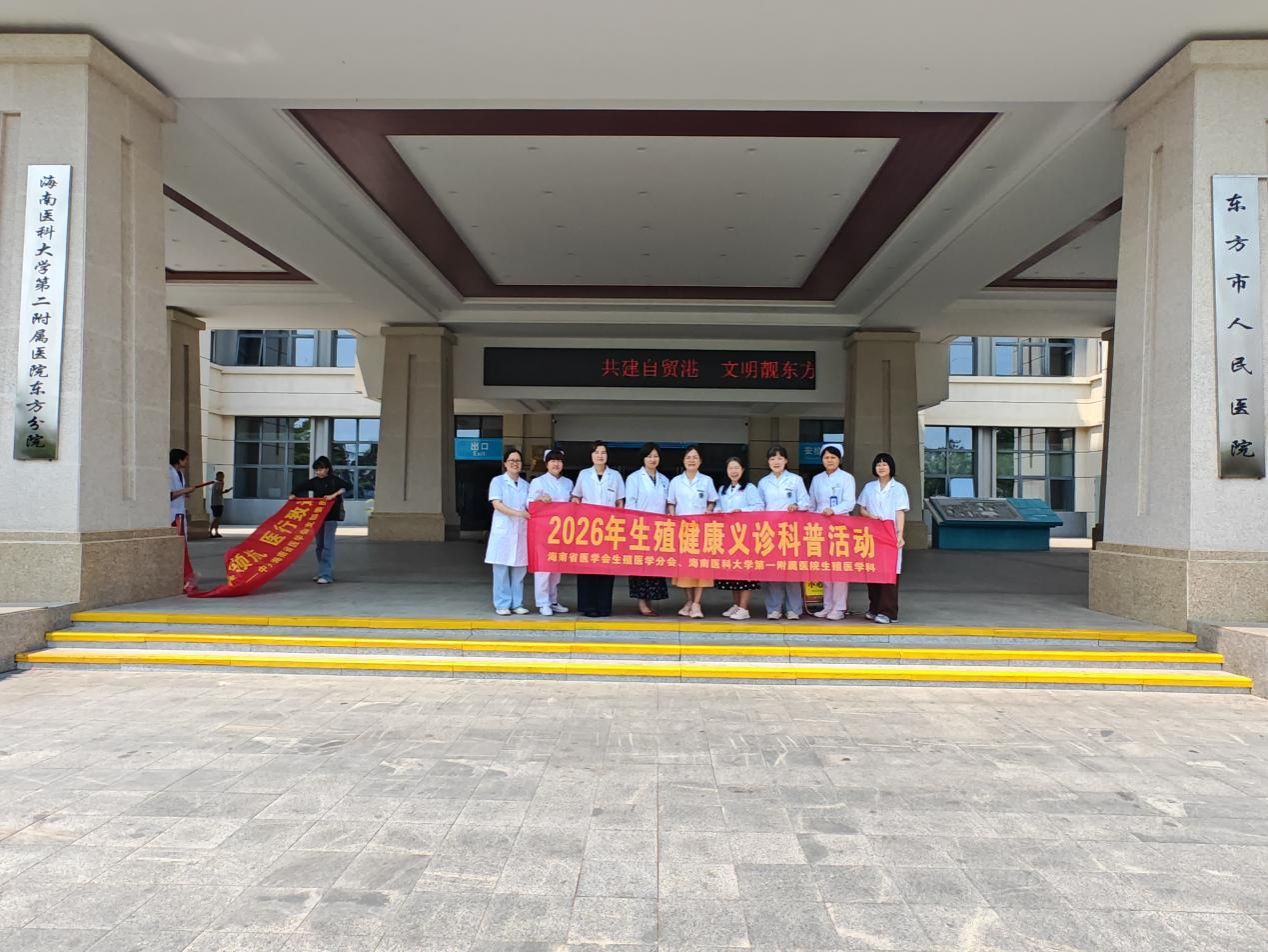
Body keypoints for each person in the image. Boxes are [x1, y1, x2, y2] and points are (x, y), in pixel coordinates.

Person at [571, 440, 625, 617]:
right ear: (591, 455)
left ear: (607, 455)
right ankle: (588, 606)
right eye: (596, 452)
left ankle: (604, 606)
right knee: (587, 566)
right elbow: (576, 497)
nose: (600, 456)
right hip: (587, 529)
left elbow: (620, 502)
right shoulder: (584, 474)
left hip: (609, 528)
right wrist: (576, 505)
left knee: (606, 566)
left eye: (603, 452)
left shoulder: (615, 476)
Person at [758, 445, 811, 619]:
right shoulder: (763, 482)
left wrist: (796, 506)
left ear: (786, 461)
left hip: (791, 532)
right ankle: (774, 608)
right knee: (773, 570)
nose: (776, 461)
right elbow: (759, 507)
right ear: (768, 462)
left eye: (780, 458)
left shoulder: (795, 480)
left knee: (792, 570)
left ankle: (793, 609)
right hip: (770, 532)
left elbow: (806, 503)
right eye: (772, 458)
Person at [857, 452, 910, 624]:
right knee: (873, 572)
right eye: (878, 464)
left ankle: (888, 612)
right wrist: (870, 516)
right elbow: (862, 509)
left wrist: (900, 534)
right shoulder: (869, 487)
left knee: (889, 572)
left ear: (891, 467)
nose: (881, 467)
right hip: (872, 534)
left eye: (884, 464)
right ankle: (874, 608)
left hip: (890, 534)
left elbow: (900, 512)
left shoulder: (899, 488)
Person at [666, 445, 718, 618]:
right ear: (683, 460)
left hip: (702, 530)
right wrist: (673, 516)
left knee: (700, 567)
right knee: (685, 568)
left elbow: (712, 501)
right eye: (688, 457)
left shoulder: (707, 480)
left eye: (695, 457)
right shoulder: (675, 481)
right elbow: (671, 503)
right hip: (683, 530)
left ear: (700, 461)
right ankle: (689, 600)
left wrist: (709, 510)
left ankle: (696, 603)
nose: (691, 460)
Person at [808, 445, 857, 620]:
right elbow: (811, 503)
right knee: (824, 567)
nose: (829, 460)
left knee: (839, 567)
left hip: (840, 526)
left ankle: (839, 607)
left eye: (833, 457)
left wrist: (833, 510)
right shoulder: (817, 479)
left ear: (839, 459)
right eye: (826, 457)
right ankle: (827, 605)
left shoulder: (847, 478)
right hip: (821, 527)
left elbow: (850, 502)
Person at [624, 442, 671, 616]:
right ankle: (642, 601)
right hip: (640, 529)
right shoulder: (634, 478)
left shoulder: (664, 480)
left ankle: (650, 599)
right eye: (649, 456)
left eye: (655, 456)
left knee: (654, 565)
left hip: (659, 530)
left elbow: (668, 505)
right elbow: (630, 504)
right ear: (643, 459)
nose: (652, 459)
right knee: (640, 566)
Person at [715, 456, 763, 620]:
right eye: (730, 468)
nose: (733, 471)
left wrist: (741, 511)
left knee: (745, 572)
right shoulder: (723, 489)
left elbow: (759, 507)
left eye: (736, 468)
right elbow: (718, 507)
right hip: (728, 536)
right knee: (732, 571)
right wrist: (716, 511)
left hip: (745, 536)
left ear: (742, 470)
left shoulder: (749, 488)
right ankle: (736, 605)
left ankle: (744, 608)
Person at [485, 446, 531, 615]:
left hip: (520, 532)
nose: (515, 463)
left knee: (519, 570)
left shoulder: (526, 485)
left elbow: (531, 504)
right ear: (505, 463)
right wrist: (518, 513)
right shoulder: (497, 481)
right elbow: (497, 504)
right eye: (511, 460)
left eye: (518, 461)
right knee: (501, 570)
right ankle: (502, 604)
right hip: (503, 532)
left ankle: (517, 604)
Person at [290, 456, 351, 585]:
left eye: (321, 469)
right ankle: (323, 571)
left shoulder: (334, 480)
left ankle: (326, 575)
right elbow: (300, 487)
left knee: (328, 546)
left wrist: (333, 495)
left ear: (327, 469)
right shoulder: (315, 482)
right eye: (316, 470)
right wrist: (293, 494)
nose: (318, 472)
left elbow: (347, 486)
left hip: (331, 517)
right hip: (317, 517)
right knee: (319, 547)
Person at [527, 447, 573, 616]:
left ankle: (553, 600)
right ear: (546, 464)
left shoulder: (568, 483)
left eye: (559, 461)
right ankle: (542, 602)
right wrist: (539, 499)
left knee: (556, 568)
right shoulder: (538, 482)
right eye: (553, 461)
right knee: (543, 569)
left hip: (562, 532)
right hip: (544, 531)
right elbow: (528, 503)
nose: (556, 464)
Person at [169, 448, 211, 594]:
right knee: (180, 548)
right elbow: (169, 495)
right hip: (172, 515)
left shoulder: (180, 474)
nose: (187, 462)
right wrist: (185, 491)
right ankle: (186, 578)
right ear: (179, 459)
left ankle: (185, 578)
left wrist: (185, 493)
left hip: (180, 513)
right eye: (185, 459)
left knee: (183, 546)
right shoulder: (168, 473)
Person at [209, 472, 232, 539]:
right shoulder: (218, 483)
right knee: (216, 518)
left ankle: (216, 532)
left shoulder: (216, 483)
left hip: (217, 503)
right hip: (217, 503)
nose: (222, 478)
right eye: (221, 476)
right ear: (218, 476)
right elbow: (219, 492)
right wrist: (225, 491)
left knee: (218, 518)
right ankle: (210, 531)